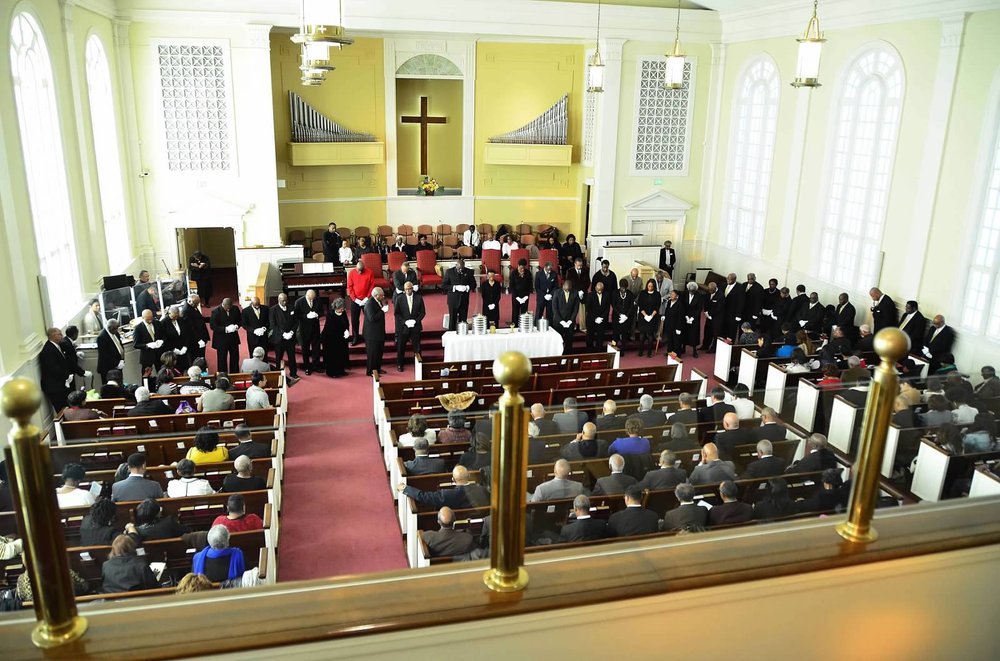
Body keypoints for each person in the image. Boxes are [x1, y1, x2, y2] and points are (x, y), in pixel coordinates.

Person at [399, 465, 490, 508]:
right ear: (469, 476)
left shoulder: (447, 494)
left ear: (453, 479)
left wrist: (406, 489)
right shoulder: (483, 490)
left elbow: (425, 497)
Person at [38, 328, 77, 412]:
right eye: (60, 334)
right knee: (61, 409)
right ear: (53, 336)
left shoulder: (56, 346)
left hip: (60, 384)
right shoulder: (48, 351)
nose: (62, 336)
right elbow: (53, 369)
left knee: (67, 406)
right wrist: (67, 375)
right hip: (54, 387)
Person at [269, 293, 300, 382]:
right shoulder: (273, 310)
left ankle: (293, 373)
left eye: (286, 300)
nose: (285, 302)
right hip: (279, 338)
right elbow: (273, 325)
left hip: (290, 337)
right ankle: (278, 373)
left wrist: (291, 332)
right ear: (279, 300)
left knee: (292, 356)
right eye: (283, 300)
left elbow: (296, 321)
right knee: (279, 357)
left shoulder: (292, 308)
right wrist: (283, 334)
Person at [293, 290, 323, 375]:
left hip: (315, 328)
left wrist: (317, 315)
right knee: (305, 349)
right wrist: (306, 316)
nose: (312, 300)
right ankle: (307, 367)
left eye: (313, 298)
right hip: (304, 330)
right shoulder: (299, 302)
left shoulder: (317, 300)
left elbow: (322, 311)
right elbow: (297, 315)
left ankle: (316, 366)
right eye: (310, 298)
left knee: (316, 348)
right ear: (306, 295)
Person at [442, 258, 477, 330]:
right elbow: (444, 285)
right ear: (456, 265)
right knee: (452, 320)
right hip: (453, 300)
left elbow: (474, 284)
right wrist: (455, 287)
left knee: (463, 320)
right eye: (459, 268)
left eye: (462, 268)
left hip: (464, 299)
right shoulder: (449, 272)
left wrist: (467, 287)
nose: (460, 270)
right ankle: (451, 334)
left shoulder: (469, 272)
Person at [320, 298, 351, 378]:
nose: (342, 310)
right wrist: (343, 332)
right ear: (336, 307)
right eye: (340, 308)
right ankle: (332, 372)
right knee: (333, 356)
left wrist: (347, 330)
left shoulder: (343, 313)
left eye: (343, 308)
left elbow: (346, 323)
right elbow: (332, 329)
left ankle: (341, 370)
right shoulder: (330, 314)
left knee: (341, 354)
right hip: (330, 339)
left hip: (340, 338)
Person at [209, 298, 242, 374]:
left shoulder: (235, 309)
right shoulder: (216, 311)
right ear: (223, 305)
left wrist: (237, 326)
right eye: (227, 308)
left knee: (235, 357)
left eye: (230, 308)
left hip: (233, 338)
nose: (228, 309)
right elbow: (213, 326)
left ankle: (235, 374)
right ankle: (222, 375)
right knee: (222, 359)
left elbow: (240, 320)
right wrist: (225, 329)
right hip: (221, 340)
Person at [347, 261, 375, 345]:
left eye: (361, 271)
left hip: (366, 299)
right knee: (354, 320)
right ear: (356, 268)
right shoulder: (351, 273)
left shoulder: (370, 272)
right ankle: (356, 337)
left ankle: (367, 336)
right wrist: (355, 299)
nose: (359, 272)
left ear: (364, 268)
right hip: (355, 300)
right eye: (358, 270)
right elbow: (350, 287)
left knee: (369, 319)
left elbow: (372, 286)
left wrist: (367, 298)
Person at [363, 287, 388, 376]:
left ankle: (377, 368)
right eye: (382, 295)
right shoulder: (369, 304)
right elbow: (372, 318)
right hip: (371, 334)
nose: (383, 297)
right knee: (372, 353)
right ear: (376, 296)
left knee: (379, 352)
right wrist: (382, 311)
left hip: (378, 332)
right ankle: (370, 371)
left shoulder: (378, 301)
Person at [634, 279, 661, 358]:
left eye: (652, 286)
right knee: (642, 335)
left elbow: (657, 306)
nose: (650, 287)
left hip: (652, 317)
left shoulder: (657, 294)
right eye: (649, 286)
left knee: (650, 335)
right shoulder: (642, 293)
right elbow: (640, 305)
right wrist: (645, 315)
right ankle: (640, 352)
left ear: (654, 287)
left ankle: (649, 352)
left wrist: (651, 316)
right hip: (643, 316)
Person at [552, 279, 580, 353]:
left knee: (569, 342)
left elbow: (576, 309)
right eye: (566, 290)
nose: (567, 291)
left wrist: (571, 320)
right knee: (559, 342)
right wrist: (561, 321)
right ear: (563, 286)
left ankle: (568, 358)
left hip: (570, 322)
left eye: (569, 290)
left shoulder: (575, 293)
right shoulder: (557, 293)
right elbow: (555, 309)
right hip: (558, 321)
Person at [240, 296, 270, 363]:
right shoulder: (245, 311)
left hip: (263, 336)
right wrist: (253, 330)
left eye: (258, 304)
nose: (257, 306)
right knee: (253, 354)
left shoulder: (265, 308)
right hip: (252, 337)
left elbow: (268, 321)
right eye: (255, 305)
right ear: (251, 303)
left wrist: (264, 328)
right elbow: (244, 324)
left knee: (264, 355)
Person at [611, 279, 636, 354]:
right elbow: (613, 305)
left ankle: (622, 350)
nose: (623, 290)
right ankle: (613, 349)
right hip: (616, 317)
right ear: (620, 286)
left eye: (625, 288)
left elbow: (631, 306)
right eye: (622, 288)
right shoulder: (615, 293)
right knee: (615, 334)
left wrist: (626, 316)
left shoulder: (630, 294)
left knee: (624, 334)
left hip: (626, 318)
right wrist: (619, 314)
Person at [585, 280, 611, 350]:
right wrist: (595, 318)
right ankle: (589, 351)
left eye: (601, 290)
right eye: (598, 290)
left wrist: (601, 318)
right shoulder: (590, 295)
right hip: (591, 319)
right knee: (590, 336)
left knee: (600, 336)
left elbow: (607, 308)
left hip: (602, 319)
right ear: (596, 288)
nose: (599, 291)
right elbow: (588, 309)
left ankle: (598, 350)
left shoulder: (607, 295)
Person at [699, 281, 724, 353]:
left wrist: (710, 314)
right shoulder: (708, 292)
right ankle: (705, 345)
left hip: (717, 317)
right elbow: (706, 302)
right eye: (709, 290)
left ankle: (713, 348)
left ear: (715, 288)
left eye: (711, 290)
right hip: (709, 316)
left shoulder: (720, 296)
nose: (710, 291)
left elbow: (719, 308)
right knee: (707, 331)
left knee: (715, 333)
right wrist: (706, 311)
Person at [509, 259, 533, 324]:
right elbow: (511, 287)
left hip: (525, 296)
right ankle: (515, 325)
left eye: (524, 268)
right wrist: (517, 298)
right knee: (515, 312)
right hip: (516, 296)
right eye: (521, 268)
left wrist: (526, 297)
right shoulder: (513, 273)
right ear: (518, 266)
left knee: (524, 312)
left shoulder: (528, 273)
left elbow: (530, 286)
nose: (523, 270)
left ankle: (523, 325)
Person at [662, 290, 685, 355]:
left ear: (677, 296)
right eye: (671, 294)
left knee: (676, 340)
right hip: (669, 324)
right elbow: (667, 310)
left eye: (673, 294)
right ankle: (669, 351)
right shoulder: (669, 302)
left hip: (676, 326)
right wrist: (664, 316)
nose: (671, 295)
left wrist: (679, 328)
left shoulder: (680, 305)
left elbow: (680, 318)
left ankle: (677, 353)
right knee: (670, 339)